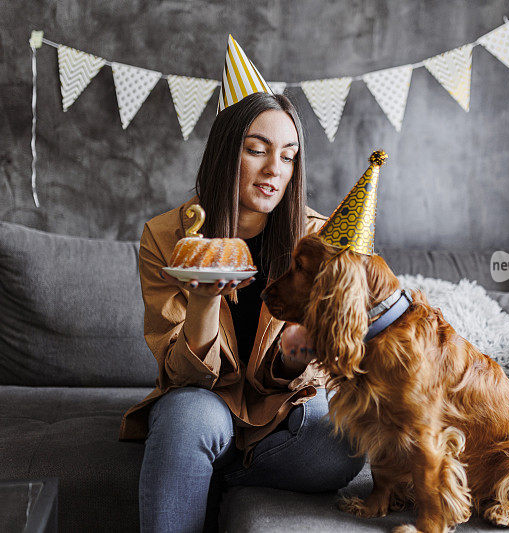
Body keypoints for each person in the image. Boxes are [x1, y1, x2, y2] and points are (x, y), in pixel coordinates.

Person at [118, 90, 366, 533]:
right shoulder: (166, 236)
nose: (274, 169)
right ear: (224, 153)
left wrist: (298, 357)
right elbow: (182, 375)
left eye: (288, 157)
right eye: (256, 150)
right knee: (186, 414)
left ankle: (213, 474)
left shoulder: (318, 237)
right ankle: (194, 464)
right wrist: (204, 296)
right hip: (205, 400)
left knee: (341, 437)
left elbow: (336, 363)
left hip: (284, 417)